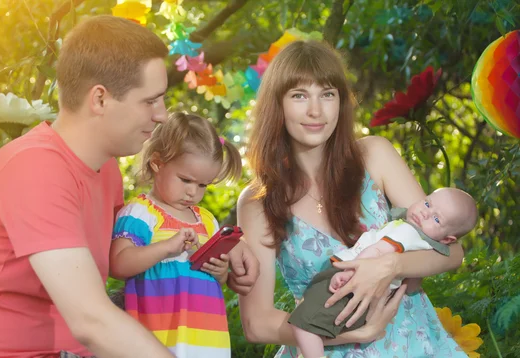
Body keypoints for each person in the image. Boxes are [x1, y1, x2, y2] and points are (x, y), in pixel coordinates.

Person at [0, 15, 258, 358]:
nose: (162, 115)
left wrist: (225, 248)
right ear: (100, 100)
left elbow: (144, 243)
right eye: (150, 100)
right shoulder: (36, 168)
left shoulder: (105, 168)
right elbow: (90, 320)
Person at [237, 39, 470, 357]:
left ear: (341, 102)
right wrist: (354, 334)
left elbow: (451, 251)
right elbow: (257, 323)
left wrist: (390, 266)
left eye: (327, 94)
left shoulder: (375, 155)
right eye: (299, 95)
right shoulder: (257, 201)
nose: (316, 110)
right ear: (277, 104)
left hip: (411, 342)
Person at [110, 112, 242, 357]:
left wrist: (220, 272)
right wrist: (166, 248)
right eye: (186, 180)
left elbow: (213, 281)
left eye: (203, 185)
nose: (193, 192)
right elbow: (119, 264)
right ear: (157, 162)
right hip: (157, 340)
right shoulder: (140, 212)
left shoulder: (207, 221)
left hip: (206, 343)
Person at [289, 188, 478, 358]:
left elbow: (377, 251)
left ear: (446, 239)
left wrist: (349, 272)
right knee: (314, 325)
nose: (425, 213)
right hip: (368, 297)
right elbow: (411, 286)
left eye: (436, 219)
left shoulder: (408, 232)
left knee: (304, 322)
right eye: (427, 203)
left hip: (352, 282)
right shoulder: (420, 244)